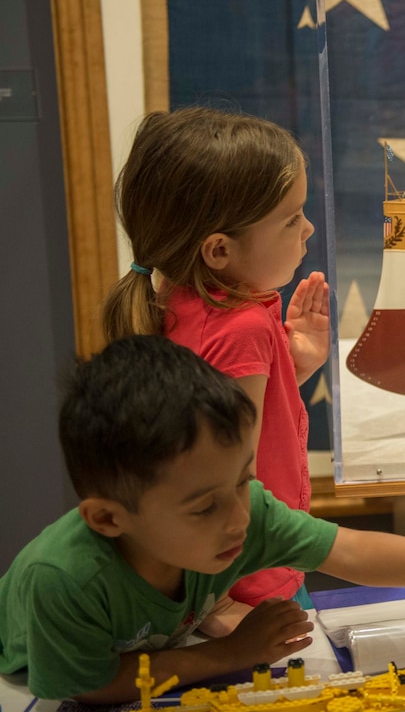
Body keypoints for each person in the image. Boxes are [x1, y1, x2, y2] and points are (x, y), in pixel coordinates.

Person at [0, 336, 405, 703]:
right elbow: (93, 686)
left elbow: (351, 552)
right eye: (204, 506)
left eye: (243, 479)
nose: (240, 516)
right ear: (107, 519)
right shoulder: (63, 580)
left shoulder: (241, 514)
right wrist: (230, 655)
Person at [101, 106, 328, 632]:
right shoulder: (240, 326)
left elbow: (222, 428)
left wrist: (295, 366)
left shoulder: (180, 297)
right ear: (219, 250)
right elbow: (225, 475)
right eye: (292, 218)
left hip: (222, 575)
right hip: (247, 581)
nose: (308, 227)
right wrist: (221, 605)